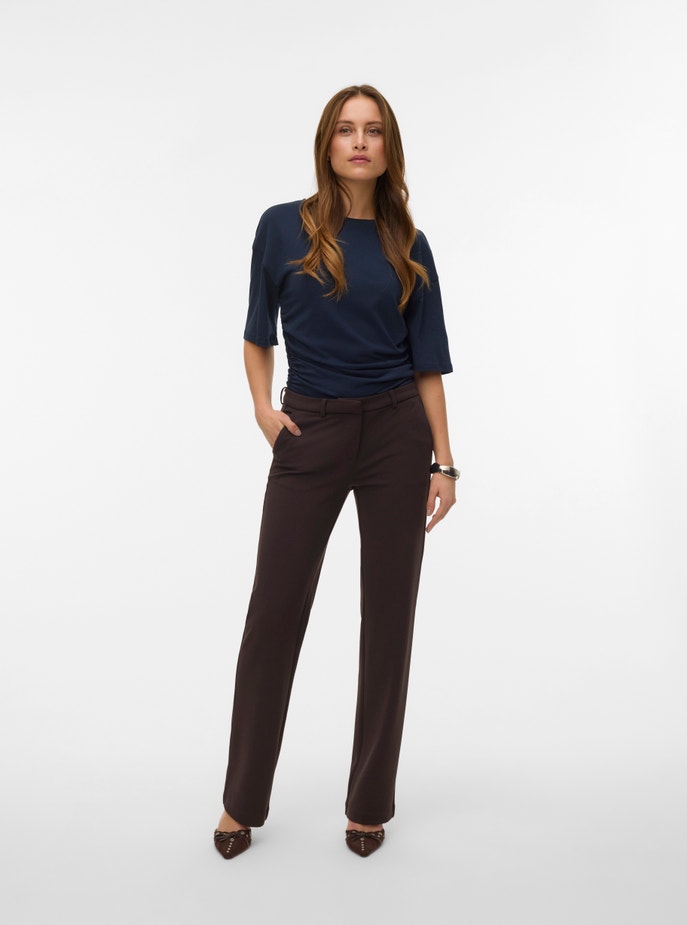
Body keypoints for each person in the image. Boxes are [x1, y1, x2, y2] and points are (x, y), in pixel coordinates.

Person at [214, 84, 459, 860]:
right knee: (273, 614)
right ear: (327, 142)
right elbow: (257, 333)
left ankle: (368, 803)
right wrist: (263, 409)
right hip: (310, 428)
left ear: (389, 148)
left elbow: (428, 364)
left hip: (396, 433)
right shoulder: (282, 227)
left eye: (373, 130)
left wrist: (444, 461)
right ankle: (240, 800)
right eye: (347, 129)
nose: (359, 141)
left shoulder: (408, 242)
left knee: (389, 618)